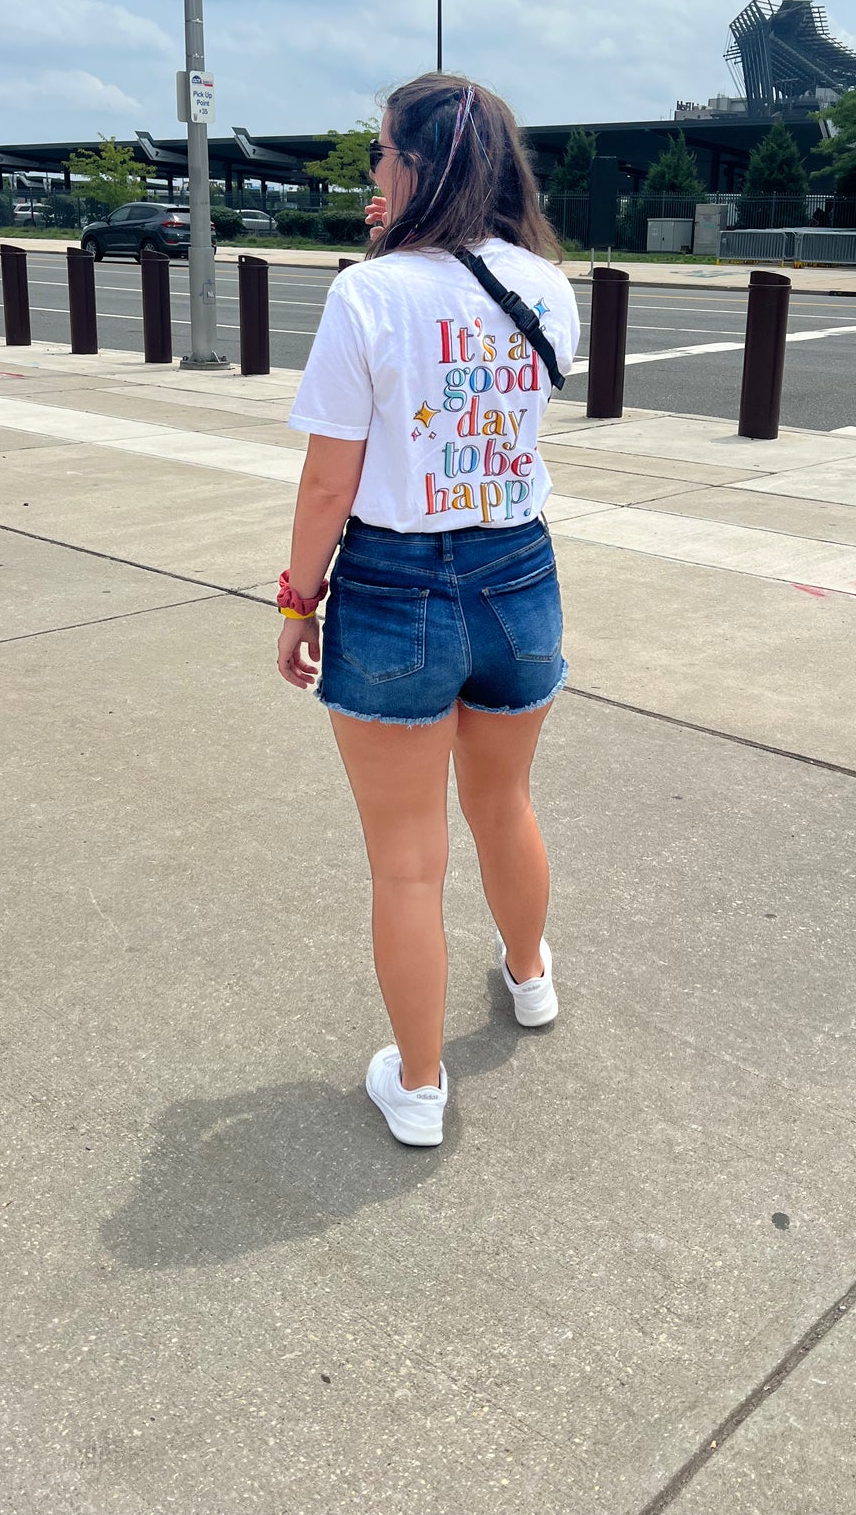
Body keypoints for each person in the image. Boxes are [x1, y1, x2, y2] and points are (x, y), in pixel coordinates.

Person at [278, 74, 580, 1149]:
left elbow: (327, 482)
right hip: (516, 575)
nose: (371, 172)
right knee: (504, 803)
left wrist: (296, 599)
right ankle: (530, 974)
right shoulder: (548, 285)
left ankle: (416, 1085)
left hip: (398, 585)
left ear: (415, 165)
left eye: (379, 156)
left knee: (407, 856)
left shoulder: (367, 296)